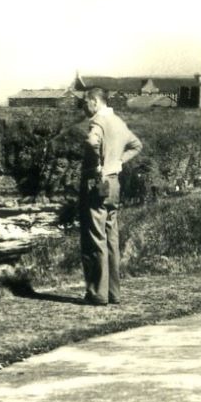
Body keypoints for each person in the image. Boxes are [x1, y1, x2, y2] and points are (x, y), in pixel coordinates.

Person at [77, 87, 143, 306]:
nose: (83, 107)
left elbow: (91, 142)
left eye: (85, 103)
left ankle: (98, 293)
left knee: (95, 237)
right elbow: (136, 145)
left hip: (97, 183)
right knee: (111, 237)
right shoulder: (118, 121)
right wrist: (118, 162)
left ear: (95, 102)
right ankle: (114, 293)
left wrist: (97, 165)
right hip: (114, 182)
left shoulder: (98, 122)